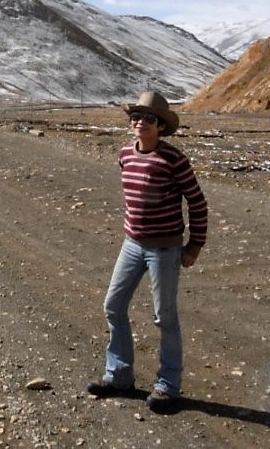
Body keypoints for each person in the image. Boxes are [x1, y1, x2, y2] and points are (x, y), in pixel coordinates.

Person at [87, 91, 208, 413]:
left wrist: (195, 245)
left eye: (148, 119)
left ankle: (168, 387)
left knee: (164, 317)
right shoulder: (126, 154)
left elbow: (197, 202)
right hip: (132, 244)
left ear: (161, 126)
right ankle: (119, 376)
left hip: (165, 249)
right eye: (135, 117)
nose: (140, 123)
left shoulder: (174, 160)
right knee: (113, 305)